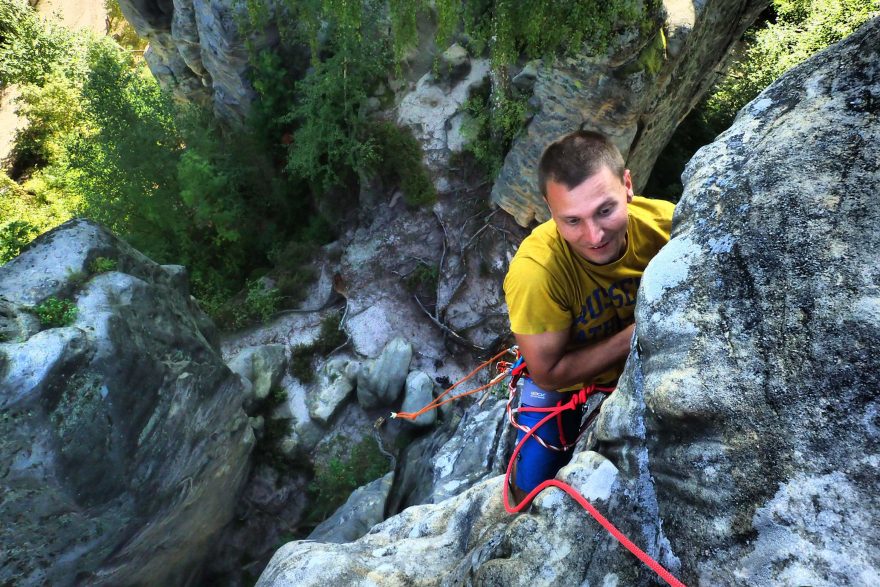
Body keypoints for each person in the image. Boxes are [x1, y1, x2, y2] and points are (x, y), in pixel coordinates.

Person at [503, 129, 674, 500]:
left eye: (605, 210)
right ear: (551, 212)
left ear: (627, 184)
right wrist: (639, 330)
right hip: (566, 385)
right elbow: (547, 374)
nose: (594, 235)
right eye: (572, 221)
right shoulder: (536, 273)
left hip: (644, 367)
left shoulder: (666, 226)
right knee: (530, 487)